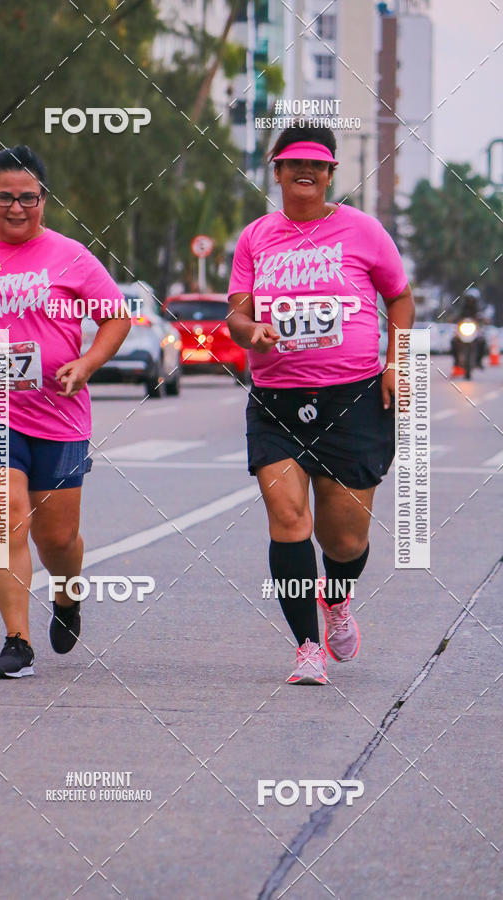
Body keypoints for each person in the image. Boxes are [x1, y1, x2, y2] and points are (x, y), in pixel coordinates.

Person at [0, 145, 130, 678]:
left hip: (57, 410)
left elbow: (115, 318)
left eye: (28, 198)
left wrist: (86, 363)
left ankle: (67, 594)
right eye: (5, 198)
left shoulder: (71, 256)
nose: (17, 208)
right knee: (2, 519)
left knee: (56, 538)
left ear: (44, 198)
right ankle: (18, 640)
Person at [227, 124, 415, 685]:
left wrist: (395, 361)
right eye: (293, 164)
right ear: (277, 171)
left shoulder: (364, 231)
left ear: (331, 173)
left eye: (318, 165)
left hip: (354, 399)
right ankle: (306, 646)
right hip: (278, 402)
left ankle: (336, 599)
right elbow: (236, 314)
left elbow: (399, 297)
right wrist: (251, 330)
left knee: (345, 538)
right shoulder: (256, 237)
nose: (305, 172)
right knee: (287, 518)